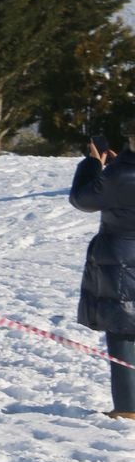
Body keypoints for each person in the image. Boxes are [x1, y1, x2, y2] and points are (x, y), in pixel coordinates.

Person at [69, 122, 135, 420]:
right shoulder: (120, 172)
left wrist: (93, 164)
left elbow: (82, 199)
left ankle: (128, 408)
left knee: (123, 332)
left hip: (122, 261)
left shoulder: (119, 176)